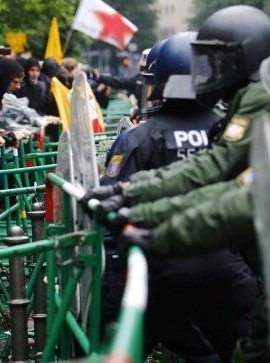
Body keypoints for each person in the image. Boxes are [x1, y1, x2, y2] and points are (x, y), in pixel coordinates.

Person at [81, 5, 270, 361]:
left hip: (179, 259)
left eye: (217, 63)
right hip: (230, 264)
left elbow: (235, 194)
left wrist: (147, 218)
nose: (207, 75)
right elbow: (226, 188)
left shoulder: (258, 107)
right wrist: (136, 200)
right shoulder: (236, 112)